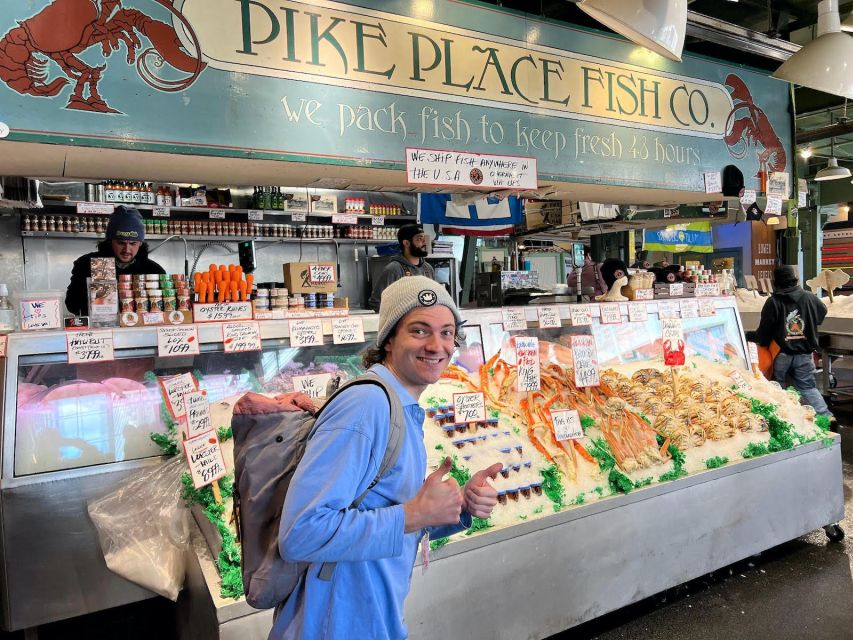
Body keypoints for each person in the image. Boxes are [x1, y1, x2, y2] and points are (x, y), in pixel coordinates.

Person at [274, 276, 502, 639]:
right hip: (334, 622)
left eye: (447, 333)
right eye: (419, 330)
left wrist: (458, 508)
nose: (436, 345)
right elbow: (300, 534)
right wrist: (414, 514)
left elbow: (391, 512)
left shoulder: (400, 404)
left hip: (372, 613)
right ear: (389, 339)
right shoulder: (366, 407)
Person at [755, 265, 833, 419]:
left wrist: (761, 342)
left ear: (776, 282)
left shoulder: (773, 301)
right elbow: (822, 311)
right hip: (804, 353)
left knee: (778, 388)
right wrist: (810, 322)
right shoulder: (810, 297)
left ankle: (786, 419)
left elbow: (765, 328)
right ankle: (826, 416)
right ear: (794, 279)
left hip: (780, 354)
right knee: (808, 387)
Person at [65, 205, 166, 315]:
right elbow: (72, 305)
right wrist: (93, 294)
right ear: (110, 241)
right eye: (121, 243)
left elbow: (165, 309)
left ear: (140, 243)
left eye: (133, 243)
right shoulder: (85, 264)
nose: (127, 249)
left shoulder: (154, 271)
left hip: (140, 329)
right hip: (99, 329)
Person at [368, 224, 435, 311]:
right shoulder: (393, 269)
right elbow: (376, 302)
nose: (425, 242)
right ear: (406, 243)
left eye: (424, 238)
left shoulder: (428, 268)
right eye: (419, 239)